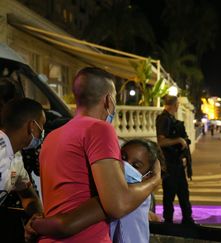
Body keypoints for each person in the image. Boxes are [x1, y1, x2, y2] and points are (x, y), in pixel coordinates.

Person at [37, 67, 161, 242]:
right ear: (109, 100)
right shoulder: (99, 129)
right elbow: (118, 205)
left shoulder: (52, 137)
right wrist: (154, 182)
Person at [30, 139, 162, 243]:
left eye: (135, 166)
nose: (125, 165)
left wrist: (36, 224)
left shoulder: (124, 196)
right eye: (123, 157)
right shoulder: (114, 188)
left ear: (147, 175)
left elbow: (67, 224)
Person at [0, 98, 44, 242]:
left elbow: (28, 196)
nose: (42, 134)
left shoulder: (16, 157)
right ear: (32, 126)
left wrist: (37, 217)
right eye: (41, 127)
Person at [156, 95, 194, 225]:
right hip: (169, 164)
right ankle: (168, 223)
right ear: (174, 105)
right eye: (177, 104)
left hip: (176, 163)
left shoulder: (171, 119)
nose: (178, 106)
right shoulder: (164, 119)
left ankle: (187, 220)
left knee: (183, 192)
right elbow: (160, 142)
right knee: (170, 194)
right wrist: (178, 140)